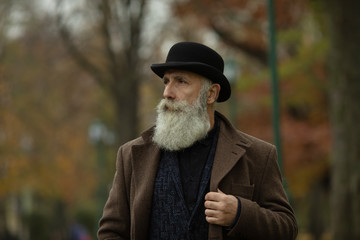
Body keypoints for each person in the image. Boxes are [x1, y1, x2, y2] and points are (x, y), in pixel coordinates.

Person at [97, 42, 298, 240]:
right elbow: (111, 232)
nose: (167, 92)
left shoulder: (257, 155)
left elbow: (286, 227)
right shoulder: (131, 155)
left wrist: (240, 213)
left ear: (211, 94)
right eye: (166, 81)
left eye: (181, 81)